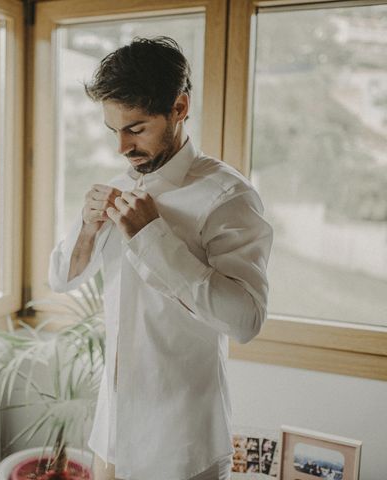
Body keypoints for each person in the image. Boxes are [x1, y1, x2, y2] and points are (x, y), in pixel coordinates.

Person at [48, 37, 273, 480]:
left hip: (180, 445)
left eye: (136, 128)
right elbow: (61, 279)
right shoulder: (120, 183)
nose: (121, 148)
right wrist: (88, 229)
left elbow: (246, 321)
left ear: (179, 108)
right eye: (113, 131)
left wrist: (153, 236)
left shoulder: (229, 196)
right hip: (111, 435)